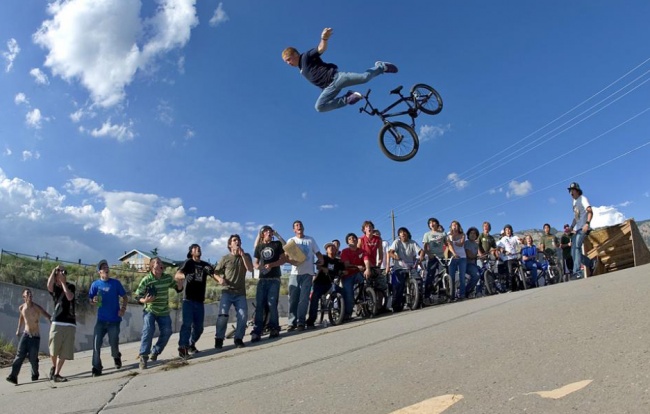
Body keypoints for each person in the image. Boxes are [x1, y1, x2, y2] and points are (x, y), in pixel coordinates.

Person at [282, 27, 398, 113]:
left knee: (365, 78)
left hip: (337, 78)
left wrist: (324, 38)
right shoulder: (301, 70)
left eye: (288, 59)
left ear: (295, 54)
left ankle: (381, 66)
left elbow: (321, 49)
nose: (288, 63)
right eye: (286, 62)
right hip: (328, 88)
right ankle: (348, 98)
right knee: (319, 107)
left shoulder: (305, 57)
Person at [135, 257, 184, 369]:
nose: (161, 264)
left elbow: (177, 288)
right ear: (152, 266)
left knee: (167, 332)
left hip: (163, 310)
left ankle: (155, 351)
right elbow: (137, 296)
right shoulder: (146, 280)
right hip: (150, 310)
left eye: (161, 263)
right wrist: (145, 300)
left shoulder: (167, 278)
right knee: (148, 330)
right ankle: (143, 356)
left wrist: (180, 285)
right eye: (158, 263)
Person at [88, 260, 128, 377]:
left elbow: (125, 297)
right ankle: (96, 367)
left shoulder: (115, 283)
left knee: (113, 343)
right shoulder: (95, 285)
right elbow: (91, 300)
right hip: (101, 320)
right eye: (103, 267)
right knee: (96, 343)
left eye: (107, 267)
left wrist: (123, 309)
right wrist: (93, 301)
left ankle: (116, 356)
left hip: (114, 320)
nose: (106, 269)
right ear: (99, 272)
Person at [175, 243, 216, 357]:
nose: (198, 249)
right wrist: (185, 276)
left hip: (199, 300)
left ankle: (191, 343)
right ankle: (183, 347)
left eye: (199, 248)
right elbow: (177, 275)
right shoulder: (188, 262)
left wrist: (212, 270)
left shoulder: (204, 264)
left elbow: (214, 272)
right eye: (195, 248)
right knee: (187, 324)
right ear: (191, 252)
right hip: (188, 300)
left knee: (199, 327)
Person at [213, 234, 253, 350]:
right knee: (223, 316)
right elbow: (214, 272)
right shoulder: (225, 258)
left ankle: (238, 338)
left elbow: (250, 269)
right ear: (230, 245)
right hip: (227, 292)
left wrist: (243, 256)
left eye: (239, 240)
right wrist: (220, 279)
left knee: (243, 316)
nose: (237, 242)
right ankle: (219, 338)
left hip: (240, 293)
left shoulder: (246, 256)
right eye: (234, 240)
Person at [6, 289, 51, 385]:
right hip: (25, 335)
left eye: (30, 293)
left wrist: (52, 322)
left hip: (35, 337)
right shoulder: (21, 308)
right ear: (24, 297)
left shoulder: (36, 308)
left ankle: (35, 373)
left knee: (33, 358)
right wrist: (19, 329)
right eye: (27, 294)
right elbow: (21, 317)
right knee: (19, 356)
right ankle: (13, 376)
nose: (29, 295)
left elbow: (47, 315)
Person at [286, 220, 323, 331]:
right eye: (296, 226)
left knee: (304, 299)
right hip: (295, 274)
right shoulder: (291, 240)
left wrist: (321, 259)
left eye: (300, 225)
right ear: (294, 229)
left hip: (308, 273)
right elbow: (287, 257)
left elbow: (317, 252)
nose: (299, 227)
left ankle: (301, 322)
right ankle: (291, 323)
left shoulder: (310, 239)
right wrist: (293, 261)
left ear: (303, 227)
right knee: (293, 299)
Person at [252, 225, 287, 342]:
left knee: (272, 303)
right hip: (262, 279)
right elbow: (255, 263)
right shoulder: (259, 247)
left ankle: (274, 328)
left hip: (274, 278)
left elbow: (283, 259)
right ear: (262, 234)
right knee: (260, 305)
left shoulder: (277, 244)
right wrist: (259, 267)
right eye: (266, 231)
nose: (269, 233)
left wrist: (272, 265)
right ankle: (257, 331)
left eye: (270, 231)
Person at [46, 265, 76, 382]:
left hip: (69, 322)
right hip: (57, 321)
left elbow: (69, 297)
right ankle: (54, 367)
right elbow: (48, 286)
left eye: (63, 271)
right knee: (53, 349)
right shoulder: (55, 287)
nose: (62, 272)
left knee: (65, 350)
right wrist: (54, 271)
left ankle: (57, 374)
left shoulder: (71, 286)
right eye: (60, 271)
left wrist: (63, 283)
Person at [306, 242, 344, 327]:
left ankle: (342, 314)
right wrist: (323, 268)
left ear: (336, 250)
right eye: (329, 247)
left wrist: (343, 271)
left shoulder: (338, 261)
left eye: (333, 247)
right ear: (326, 250)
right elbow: (318, 266)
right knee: (315, 297)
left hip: (330, 283)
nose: (331, 248)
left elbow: (343, 269)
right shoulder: (323, 257)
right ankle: (311, 320)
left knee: (342, 292)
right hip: (319, 282)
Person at [388, 227, 423, 311]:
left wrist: (421, 257)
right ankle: (396, 305)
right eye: (401, 233)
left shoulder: (412, 243)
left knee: (419, 281)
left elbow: (421, 251)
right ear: (399, 235)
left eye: (404, 232)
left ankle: (418, 302)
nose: (403, 234)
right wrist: (395, 256)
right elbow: (390, 252)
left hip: (411, 266)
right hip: (399, 267)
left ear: (407, 233)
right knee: (398, 285)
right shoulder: (397, 242)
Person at [568, 182, 594, 279]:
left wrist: (587, 224)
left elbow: (590, 211)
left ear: (577, 191)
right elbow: (576, 217)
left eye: (572, 190)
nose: (571, 192)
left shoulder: (583, 199)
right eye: (570, 191)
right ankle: (591, 263)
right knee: (572, 252)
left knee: (577, 248)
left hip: (584, 228)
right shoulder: (574, 202)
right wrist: (571, 227)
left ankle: (577, 272)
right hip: (577, 229)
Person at [340, 233, 365, 320]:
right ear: (347, 242)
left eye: (354, 238)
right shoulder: (345, 251)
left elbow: (366, 260)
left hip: (358, 273)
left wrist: (368, 268)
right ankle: (348, 314)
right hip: (348, 275)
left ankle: (365, 303)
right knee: (349, 295)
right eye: (350, 239)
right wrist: (357, 266)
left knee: (366, 283)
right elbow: (346, 265)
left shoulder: (362, 251)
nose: (353, 239)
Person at [358, 221, 387, 295]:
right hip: (364, 264)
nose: (369, 228)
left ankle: (380, 305)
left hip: (374, 265)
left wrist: (379, 263)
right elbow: (357, 253)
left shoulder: (378, 239)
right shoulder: (361, 239)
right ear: (364, 230)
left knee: (381, 285)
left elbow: (380, 252)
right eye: (367, 227)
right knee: (365, 284)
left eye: (370, 226)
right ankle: (363, 301)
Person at [422, 218, 447, 299]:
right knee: (430, 276)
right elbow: (425, 247)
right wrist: (429, 254)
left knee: (443, 275)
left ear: (437, 224)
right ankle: (426, 296)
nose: (432, 224)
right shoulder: (427, 234)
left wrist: (451, 253)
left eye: (433, 222)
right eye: (430, 223)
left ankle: (442, 295)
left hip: (441, 258)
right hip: (432, 258)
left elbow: (448, 244)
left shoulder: (443, 234)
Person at [497, 225, 523, 291]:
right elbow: (499, 248)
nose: (508, 231)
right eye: (506, 230)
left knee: (521, 269)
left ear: (511, 230)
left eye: (509, 229)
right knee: (510, 272)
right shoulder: (503, 239)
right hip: (507, 258)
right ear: (505, 232)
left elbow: (520, 242)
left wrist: (522, 241)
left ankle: (522, 285)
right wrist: (504, 251)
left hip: (515, 256)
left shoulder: (515, 237)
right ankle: (509, 288)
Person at [447, 221, 467, 301]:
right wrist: (454, 253)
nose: (454, 226)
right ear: (451, 227)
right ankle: (451, 295)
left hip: (462, 257)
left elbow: (461, 244)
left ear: (459, 226)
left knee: (462, 276)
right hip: (452, 258)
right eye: (453, 225)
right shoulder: (448, 235)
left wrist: (453, 240)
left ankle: (462, 294)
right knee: (451, 277)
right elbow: (449, 246)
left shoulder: (463, 235)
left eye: (456, 225)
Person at [464, 227, 481, 297]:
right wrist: (477, 256)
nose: (473, 235)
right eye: (471, 233)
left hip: (474, 264)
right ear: (468, 234)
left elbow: (479, 254)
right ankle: (466, 291)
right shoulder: (466, 243)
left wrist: (483, 255)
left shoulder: (476, 244)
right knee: (476, 275)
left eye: (474, 233)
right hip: (467, 264)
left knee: (482, 272)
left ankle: (479, 291)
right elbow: (469, 255)